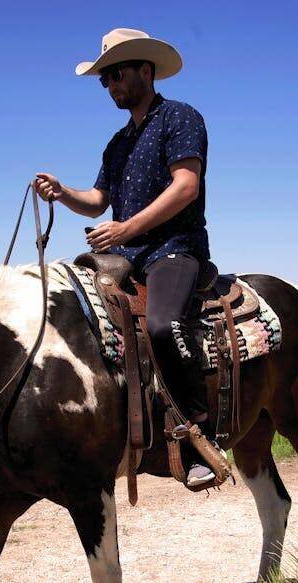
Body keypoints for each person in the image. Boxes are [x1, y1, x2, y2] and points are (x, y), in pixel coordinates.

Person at [34, 28, 219, 487]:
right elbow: (98, 200)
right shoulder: (117, 143)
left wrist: (127, 228)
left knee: (161, 324)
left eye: (116, 75)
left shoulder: (180, 118)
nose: (111, 85)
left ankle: (202, 433)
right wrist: (63, 193)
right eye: (105, 80)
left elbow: (185, 186)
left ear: (145, 70)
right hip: (125, 256)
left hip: (174, 250)